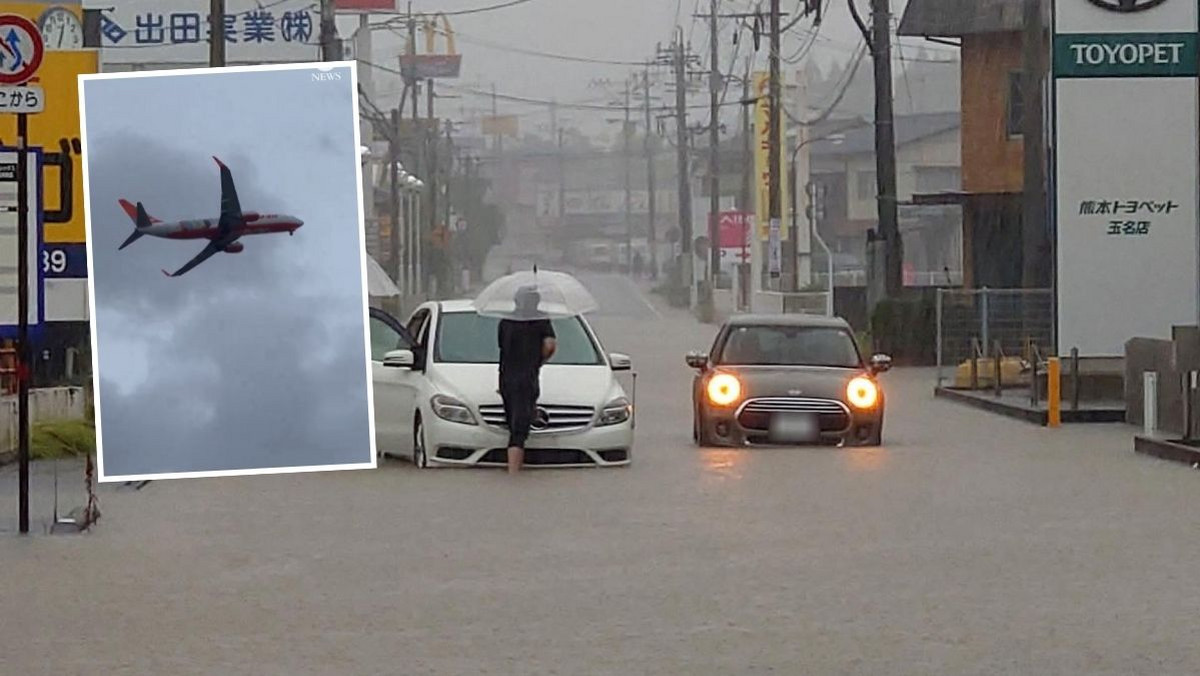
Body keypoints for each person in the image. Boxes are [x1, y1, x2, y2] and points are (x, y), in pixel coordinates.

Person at [497, 285, 556, 474]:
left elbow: (503, 348)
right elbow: (550, 345)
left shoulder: (505, 321)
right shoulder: (541, 320)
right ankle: (514, 474)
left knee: (512, 422)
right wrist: (539, 360)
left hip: (506, 379)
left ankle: (513, 471)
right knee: (519, 431)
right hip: (527, 379)